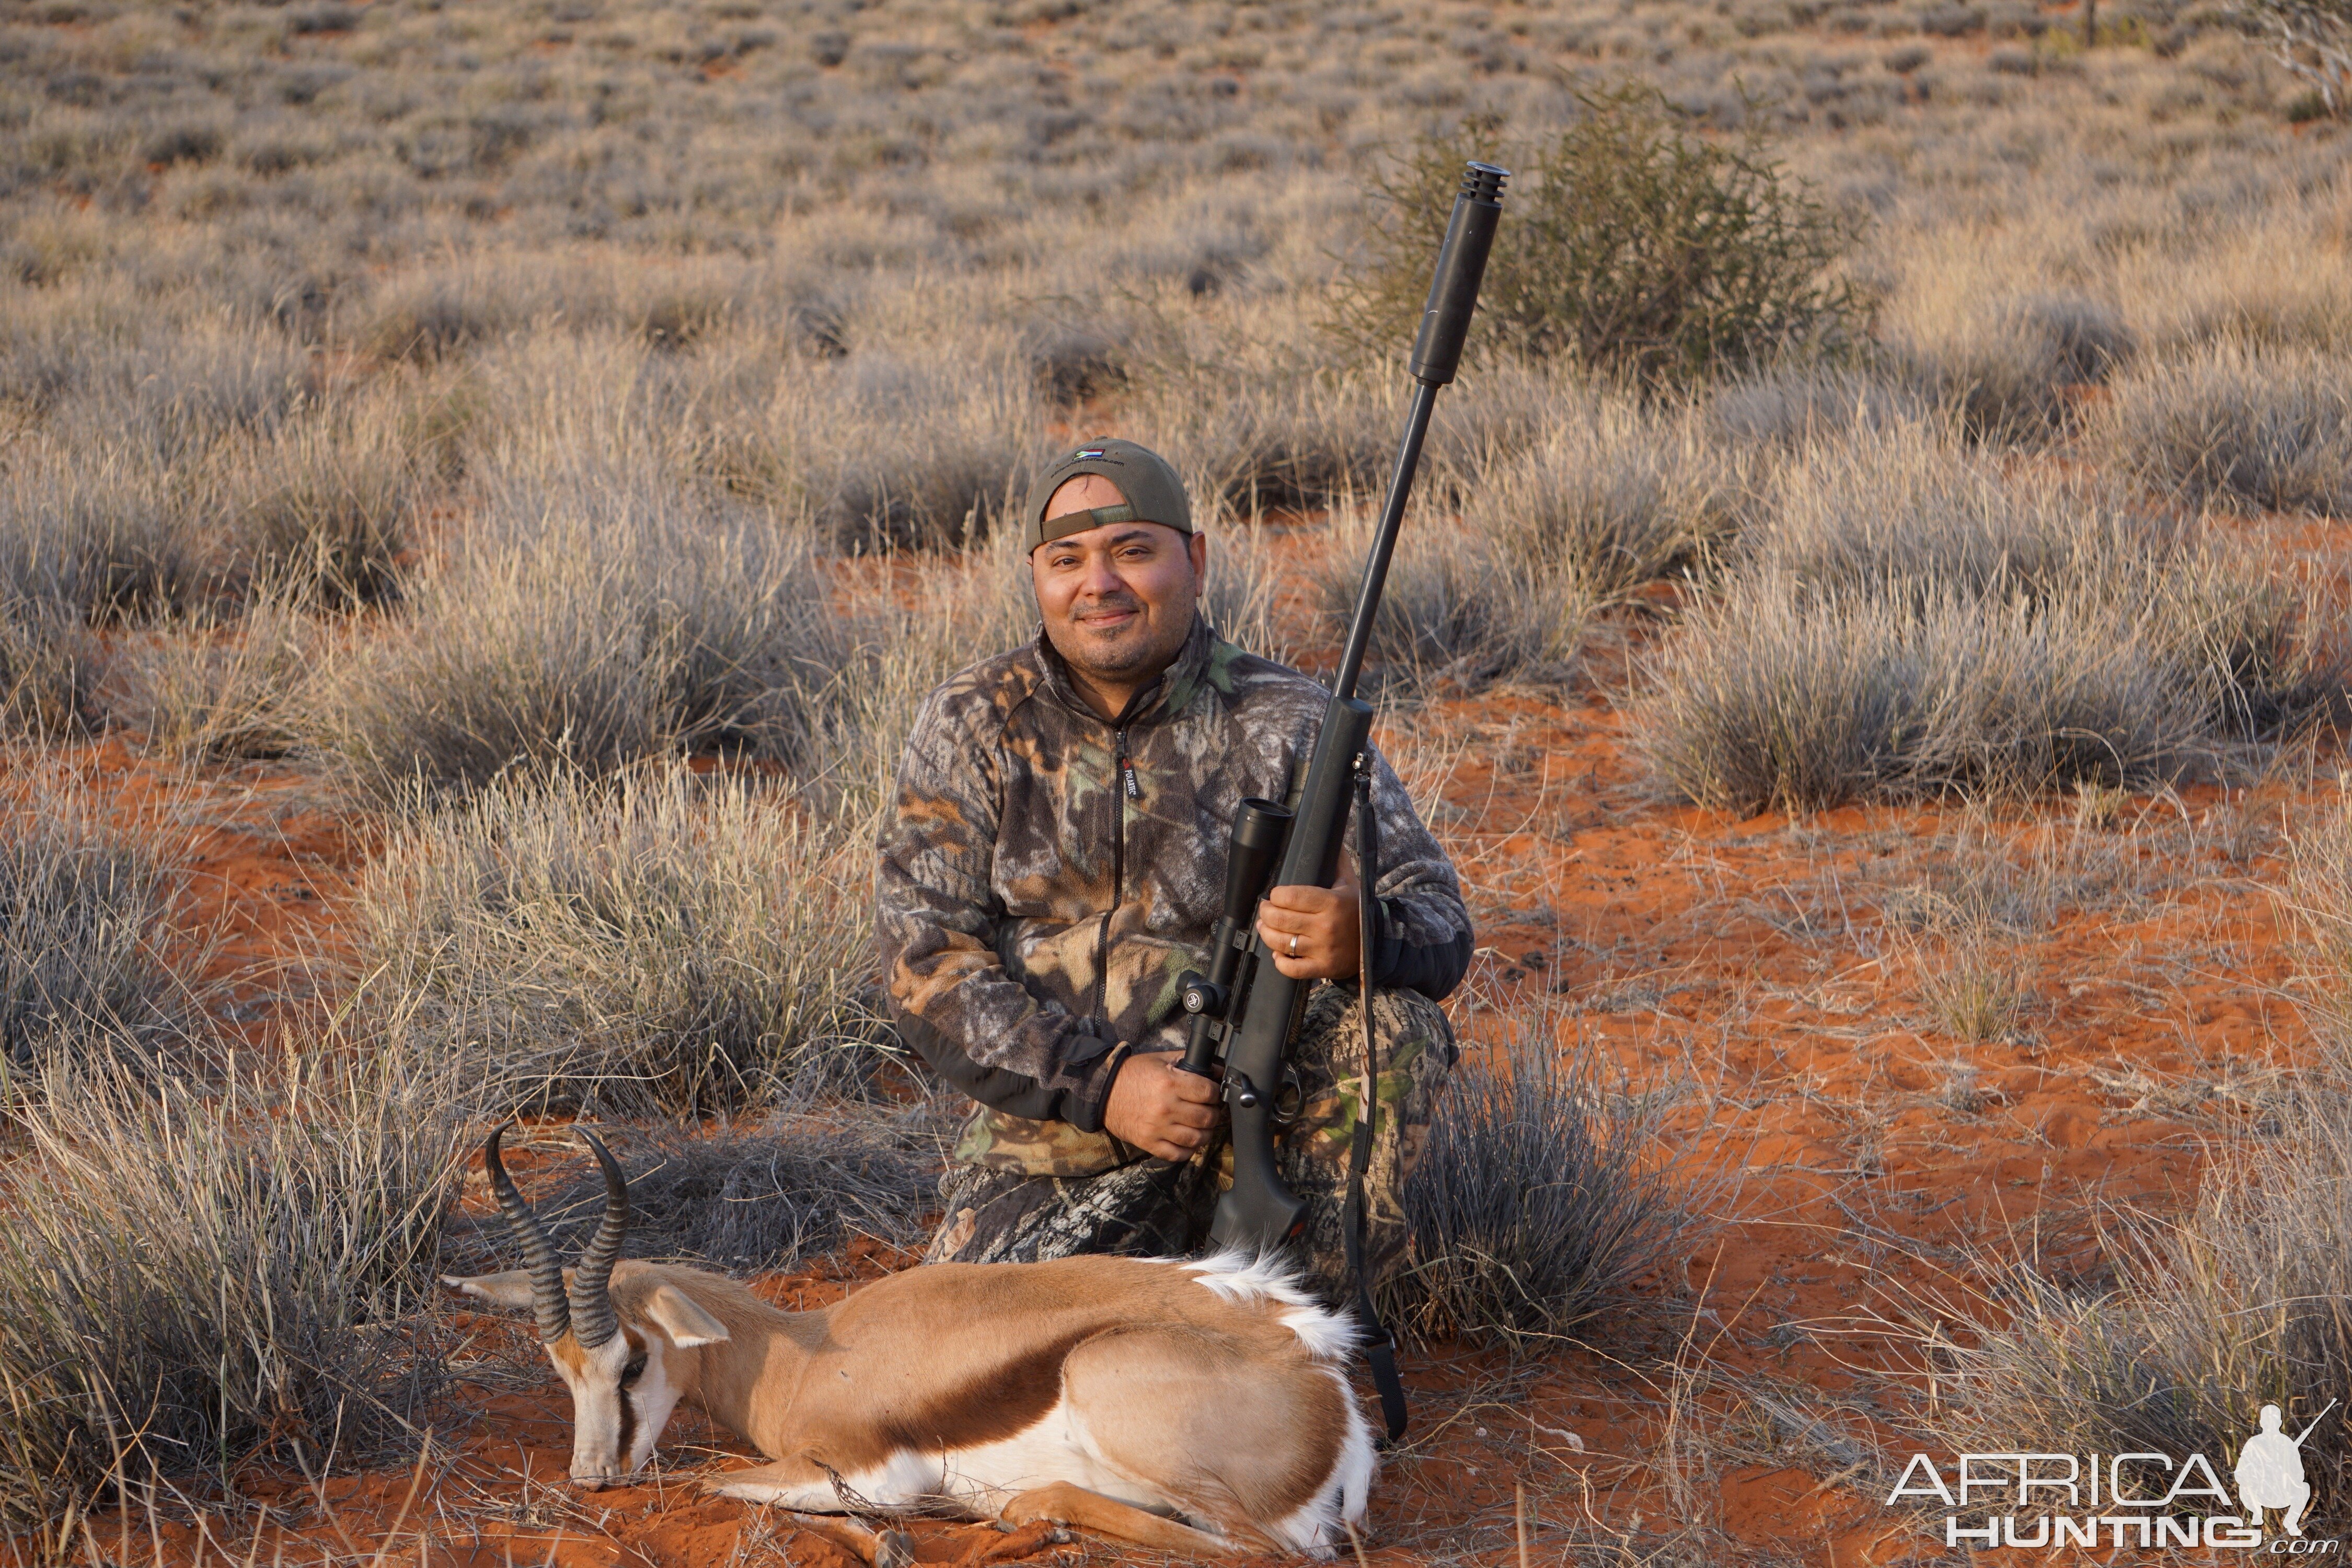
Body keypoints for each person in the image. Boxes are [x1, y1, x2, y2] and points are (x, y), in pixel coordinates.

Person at [877, 437, 1474, 1302]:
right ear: (1036, 576)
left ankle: (1306, 1340)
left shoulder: (1291, 718)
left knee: (1393, 1029)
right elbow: (926, 968)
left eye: (1132, 551)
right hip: (1059, 1136)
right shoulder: (971, 722)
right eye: (1068, 559)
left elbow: (1440, 918)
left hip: (1266, 1113)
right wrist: (1107, 1085)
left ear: (1192, 558)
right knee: (966, 1378)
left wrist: (1361, 935)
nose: (1099, 584)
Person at [2236, 1403, 2318, 1537]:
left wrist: (2285, 1476)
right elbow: (2240, 1473)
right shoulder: (2253, 1443)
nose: (2271, 1424)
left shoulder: (2287, 1443)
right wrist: (2257, 1476)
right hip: (2260, 1495)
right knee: (2244, 1487)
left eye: (2274, 1420)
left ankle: (2291, 1521)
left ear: (2279, 1422)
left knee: (2304, 1488)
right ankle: (2257, 1513)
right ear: (2262, 1422)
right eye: (2268, 1420)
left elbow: (2299, 1474)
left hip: (2283, 1494)